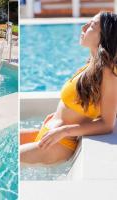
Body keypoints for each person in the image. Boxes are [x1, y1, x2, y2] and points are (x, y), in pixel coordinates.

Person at [20, 12, 117, 166]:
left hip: (59, 143)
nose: (84, 27)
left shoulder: (108, 73)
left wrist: (64, 130)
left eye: (91, 25)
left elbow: (107, 124)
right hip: (51, 134)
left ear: (104, 37)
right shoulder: (92, 65)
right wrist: (58, 116)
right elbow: (82, 102)